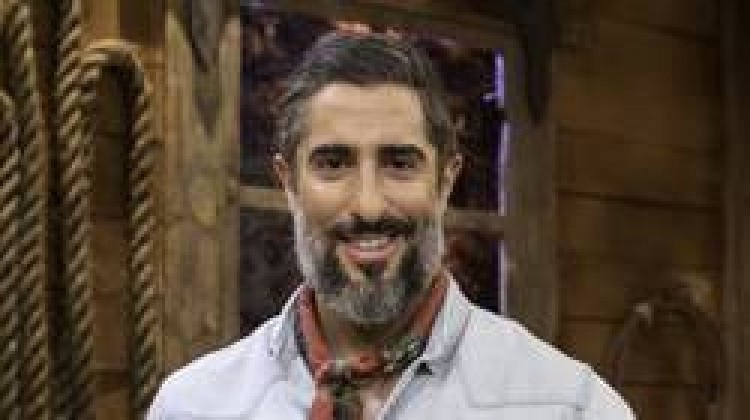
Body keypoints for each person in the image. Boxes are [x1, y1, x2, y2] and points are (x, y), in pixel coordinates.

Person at [146, 32, 635, 420]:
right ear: (289, 183)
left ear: (445, 181)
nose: (368, 205)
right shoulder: (194, 406)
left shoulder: (570, 406)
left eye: (399, 163)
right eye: (333, 163)